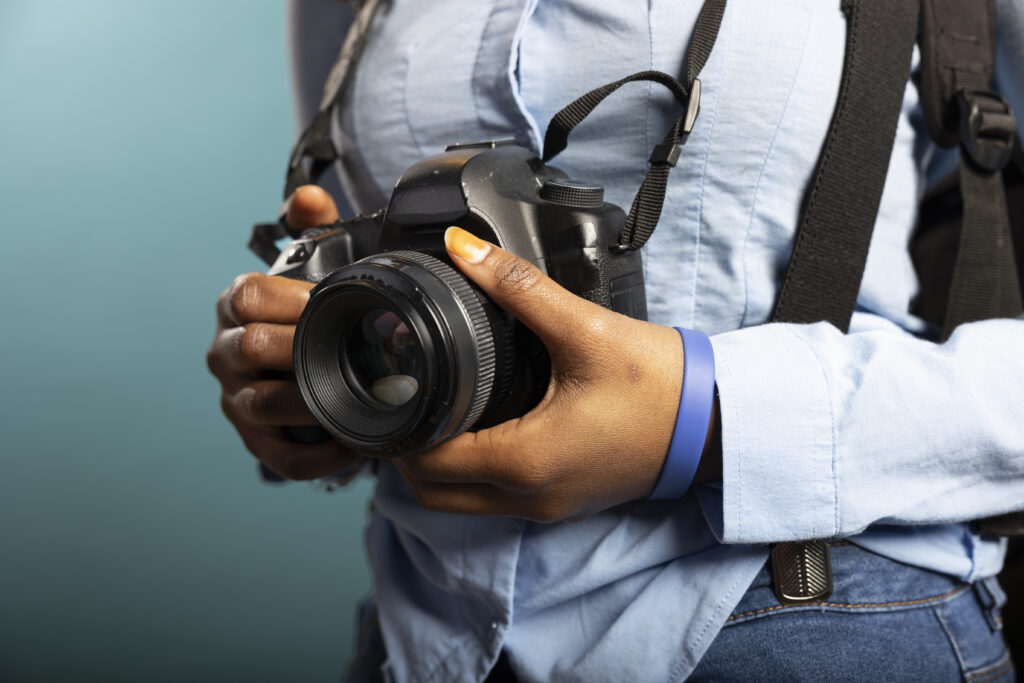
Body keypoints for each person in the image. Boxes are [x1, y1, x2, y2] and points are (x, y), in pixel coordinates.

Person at [207, 0, 1024, 680]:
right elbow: (367, 273)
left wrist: (703, 415)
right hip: (421, 631)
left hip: (810, 614)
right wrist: (316, 380)